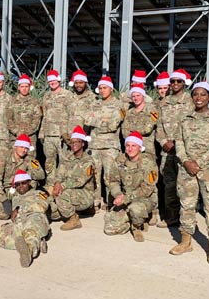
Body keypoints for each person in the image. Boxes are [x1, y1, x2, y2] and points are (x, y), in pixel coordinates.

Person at [170, 81, 209, 264]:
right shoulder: (185, 118)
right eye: (196, 94)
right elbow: (178, 142)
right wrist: (186, 161)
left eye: (203, 95)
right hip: (187, 171)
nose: (199, 98)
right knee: (186, 206)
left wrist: (198, 163)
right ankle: (186, 242)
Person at [0, 170, 50, 268]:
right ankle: (36, 242)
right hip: (18, 224)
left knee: (30, 233)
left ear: (29, 182)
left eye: (24, 183)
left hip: (34, 219)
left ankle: (29, 252)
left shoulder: (39, 193)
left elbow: (42, 207)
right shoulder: (15, 197)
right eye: (18, 184)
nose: (21, 186)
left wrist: (19, 210)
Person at [104, 131, 158, 242]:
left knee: (135, 209)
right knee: (109, 229)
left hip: (144, 199)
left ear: (140, 147)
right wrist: (118, 195)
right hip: (124, 199)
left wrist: (126, 198)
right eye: (127, 145)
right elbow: (113, 181)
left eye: (134, 146)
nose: (130, 149)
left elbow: (147, 189)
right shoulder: (119, 161)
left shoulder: (149, 163)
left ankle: (137, 226)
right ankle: (131, 220)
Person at [156, 68, 193, 228]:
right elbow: (158, 126)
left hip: (184, 150)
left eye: (178, 81)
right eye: (172, 81)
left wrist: (176, 143)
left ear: (184, 83)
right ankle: (171, 217)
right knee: (169, 184)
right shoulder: (164, 103)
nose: (175, 84)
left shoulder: (191, 101)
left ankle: (186, 219)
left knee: (185, 186)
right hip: (167, 150)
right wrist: (164, 142)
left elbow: (193, 125)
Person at [84, 75, 123, 211]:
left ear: (111, 89)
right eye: (100, 88)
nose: (102, 91)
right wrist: (103, 122)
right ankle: (95, 202)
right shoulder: (95, 104)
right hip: (94, 146)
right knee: (94, 175)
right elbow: (87, 120)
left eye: (104, 88)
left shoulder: (118, 104)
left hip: (110, 146)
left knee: (110, 176)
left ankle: (111, 202)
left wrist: (97, 121)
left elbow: (113, 125)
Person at [48, 126, 96, 231]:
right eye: (72, 142)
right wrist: (56, 183)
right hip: (68, 189)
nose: (74, 144)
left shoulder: (88, 161)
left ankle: (74, 219)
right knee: (51, 208)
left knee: (61, 195)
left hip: (85, 194)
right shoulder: (67, 158)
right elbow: (59, 174)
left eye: (77, 142)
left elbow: (79, 181)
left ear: (83, 143)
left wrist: (61, 186)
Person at [0, 134, 45, 220]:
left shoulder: (29, 159)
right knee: (3, 214)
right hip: (4, 189)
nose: (24, 150)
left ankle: (23, 207)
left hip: (19, 188)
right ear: (16, 146)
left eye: (26, 148)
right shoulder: (3, 157)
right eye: (21, 147)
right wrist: (4, 200)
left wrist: (31, 167)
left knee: (32, 183)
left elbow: (41, 176)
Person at [40, 69, 72, 177]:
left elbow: (71, 114)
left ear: (58, 80)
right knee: (49, 162)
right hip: (48, 135)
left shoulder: (67, 95)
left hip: (62, 135)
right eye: (50, 81)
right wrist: (42, 133)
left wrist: (68, 134)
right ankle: (50, 184)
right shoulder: (46, 96)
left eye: (54, 80)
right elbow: (44, 115)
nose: (52, 83)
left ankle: (62, 184)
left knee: (64, 161)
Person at [5, 73, 42, 147]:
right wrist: (16, 131)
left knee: (30, 158)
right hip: (15, 137)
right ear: (18, 87)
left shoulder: (35, 102)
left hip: (30, 138)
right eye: (22, 86)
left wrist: (27, 132)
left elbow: (37, 119)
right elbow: (8, 118)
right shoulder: (12, 101)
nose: (24, 89)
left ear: (29, 87)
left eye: (26, 86)